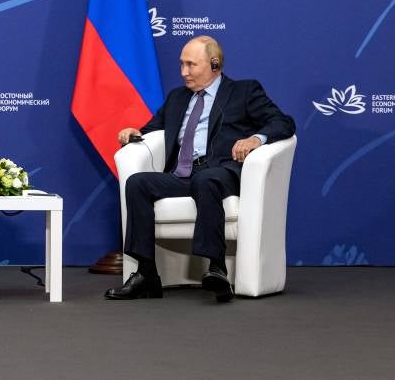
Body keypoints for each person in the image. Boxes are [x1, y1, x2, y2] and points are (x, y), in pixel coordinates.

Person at [105, 35, 294, 303]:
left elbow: (283, 122)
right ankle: (146, 274)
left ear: (215, 64)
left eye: (191, 65)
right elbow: (150, 130)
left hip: (221, 172)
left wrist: (256, 139)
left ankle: (217, 267)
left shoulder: (244, 91)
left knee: (206, 179)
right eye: (181, 64)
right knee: (137, 182)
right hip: (182, 174)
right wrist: (132, 133)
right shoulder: (177, 97)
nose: (184, 72)